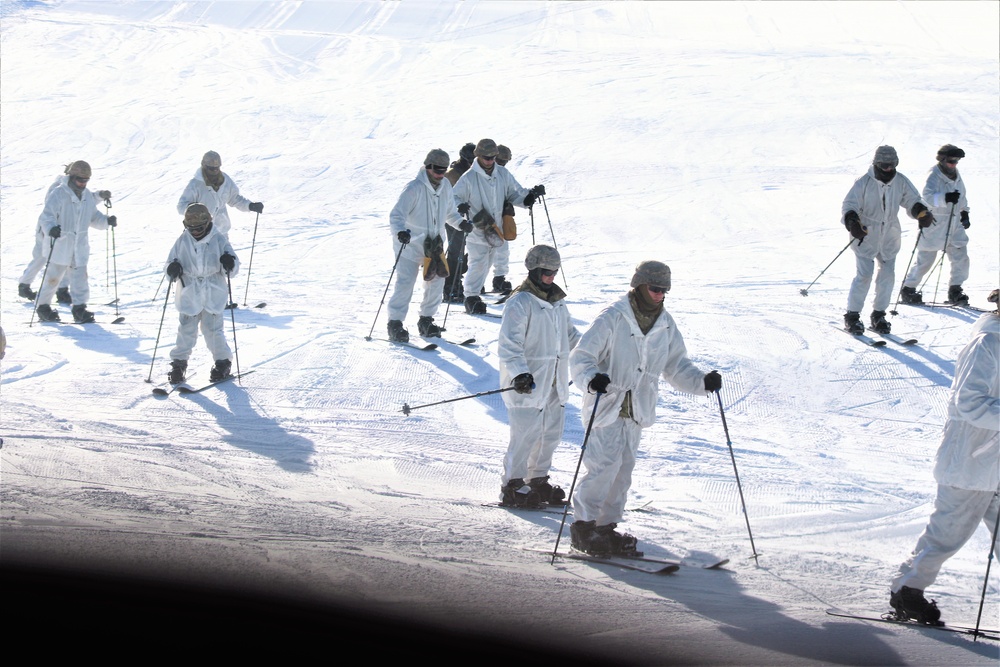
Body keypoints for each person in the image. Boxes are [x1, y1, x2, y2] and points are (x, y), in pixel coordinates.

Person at [568, 261, 722, 555]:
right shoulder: (613, 317)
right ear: (639, 285)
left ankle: (605, 528)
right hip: (608, 403)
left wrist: (702, 382)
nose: (660, 295)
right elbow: (582, 355)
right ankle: (583, 527)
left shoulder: (665, 324)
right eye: (655, 289)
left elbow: (676, 365)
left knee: (623, 471)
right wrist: (591, 379)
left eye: (665, 290)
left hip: (637, 409)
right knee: (603, 468)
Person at [889, 289, 999, 625]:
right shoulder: (988, 344)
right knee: (947, 533)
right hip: (970, 461)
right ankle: (907, 591)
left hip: (992, 463)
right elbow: (968, 403)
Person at [497, 245, 581, 507]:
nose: (551, 277)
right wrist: (520, 373)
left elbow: (570, 335)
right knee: (525, 436)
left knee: (550, 434)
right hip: (528, 382)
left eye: (555, 271)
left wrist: (594, 352)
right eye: (546, 272)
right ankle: (512, 485)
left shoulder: (557, 302)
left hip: (555, 381)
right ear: (533, 269)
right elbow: (509, 344)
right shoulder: (520, 301)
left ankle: (537, 480)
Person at [841, 145, 932, 335]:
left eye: (892, 165)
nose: (889, 169)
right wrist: (853, 223)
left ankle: (878, 315)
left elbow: (912, 200)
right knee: (864, 275)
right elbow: (850, 205)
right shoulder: (863, 183)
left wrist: (921, 212)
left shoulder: (900, 181)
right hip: (866, 234)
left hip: (889, 234)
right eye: (884, 165)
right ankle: (852, 316)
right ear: (876, 163)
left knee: (887, 276)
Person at [452, 138, 544, 314]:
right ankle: (471, 297)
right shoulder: (469, 177)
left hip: (496, 230)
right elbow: (453, 198)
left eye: (493, 157)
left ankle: (476, 292)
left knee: (488, 262)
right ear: (478, 156)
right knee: (478, 263)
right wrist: (460, 207)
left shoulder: (502, 174)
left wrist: (528, 198)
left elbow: (514, 193)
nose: (490, 161)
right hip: (478, 228)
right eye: (486, 157)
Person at [385, 149, 463, 342]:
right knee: (405, 283)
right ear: (428, 167)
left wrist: (461, 223)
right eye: (437, 169)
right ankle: (395, 323)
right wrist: (400, 232)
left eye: (444, 170)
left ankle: (426, 320)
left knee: (437, 282)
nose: (440, 173)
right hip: (410, 244)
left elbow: (450, 213)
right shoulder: (414, 188)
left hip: (434, 245)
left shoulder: (445, 186)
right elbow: (396, 215)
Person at [164, 203, 240, 384]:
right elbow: (169, 264)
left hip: (213, 289)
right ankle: (178, 364)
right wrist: (172, 269)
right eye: (191, 228)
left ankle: (222, 362)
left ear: (207, 223)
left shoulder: (219, 239)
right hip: (190, 291)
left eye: (199, 228)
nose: (195, 231)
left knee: (213, 330)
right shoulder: (182, 241)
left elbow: (234, 266)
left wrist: (229, 263)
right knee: (186, 329)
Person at [34, 161, 115, 323]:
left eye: (86, 180)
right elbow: (46, 215)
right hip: (60, 243)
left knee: (80, 279)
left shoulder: (87, 196)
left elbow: (94, 217)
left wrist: (107, 221)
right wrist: (51, 228)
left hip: (79, 246)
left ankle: (79, 308)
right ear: (71, 176)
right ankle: (43, 307)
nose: (83, 183)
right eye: (80, 179)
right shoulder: (59, 193)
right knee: (53, 278)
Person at [18, 166, 110, 304]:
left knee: (67, 261)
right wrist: (50, 229)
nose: (83, 182)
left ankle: (62, 290)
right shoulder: (58, 187)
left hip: (65, 232)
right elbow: (52, 209)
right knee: (42, 258)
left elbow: (84, 202)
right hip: (49, 230)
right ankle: (24, 285)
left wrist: (99, 195)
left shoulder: (79, 188)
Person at [899, 145, 972, 306]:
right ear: (943, 159)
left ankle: (955, 290)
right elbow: (926, 197)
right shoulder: (934, 175)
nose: (954, 164)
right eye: (952, 161)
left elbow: (962, 196)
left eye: (957, 161)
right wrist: (945, 197)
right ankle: (908, 289)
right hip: (935, 222)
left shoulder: (956, 175)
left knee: (961, 258)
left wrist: (964, 212)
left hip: (954, 222)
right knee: (925, 260)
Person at [176, 151, 263, 239]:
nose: (214, 171)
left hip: (222, 234)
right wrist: (193, 210)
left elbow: (234, 199)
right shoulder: (196, 184)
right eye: (211, 168)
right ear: (204, 166)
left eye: (217, 168)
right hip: (200, 234)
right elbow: (181, 206)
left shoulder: (225, 181)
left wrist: (250, 206)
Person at [442, 142, 476, 304]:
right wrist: (457, 208)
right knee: (457, 249)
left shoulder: (474, 172)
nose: (471, 161)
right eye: (469, 159)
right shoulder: (453, 174)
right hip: (453, 217)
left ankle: (463, 277)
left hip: (471, 216)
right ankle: (451, 285)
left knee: (478, 248)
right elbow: (444, 197)